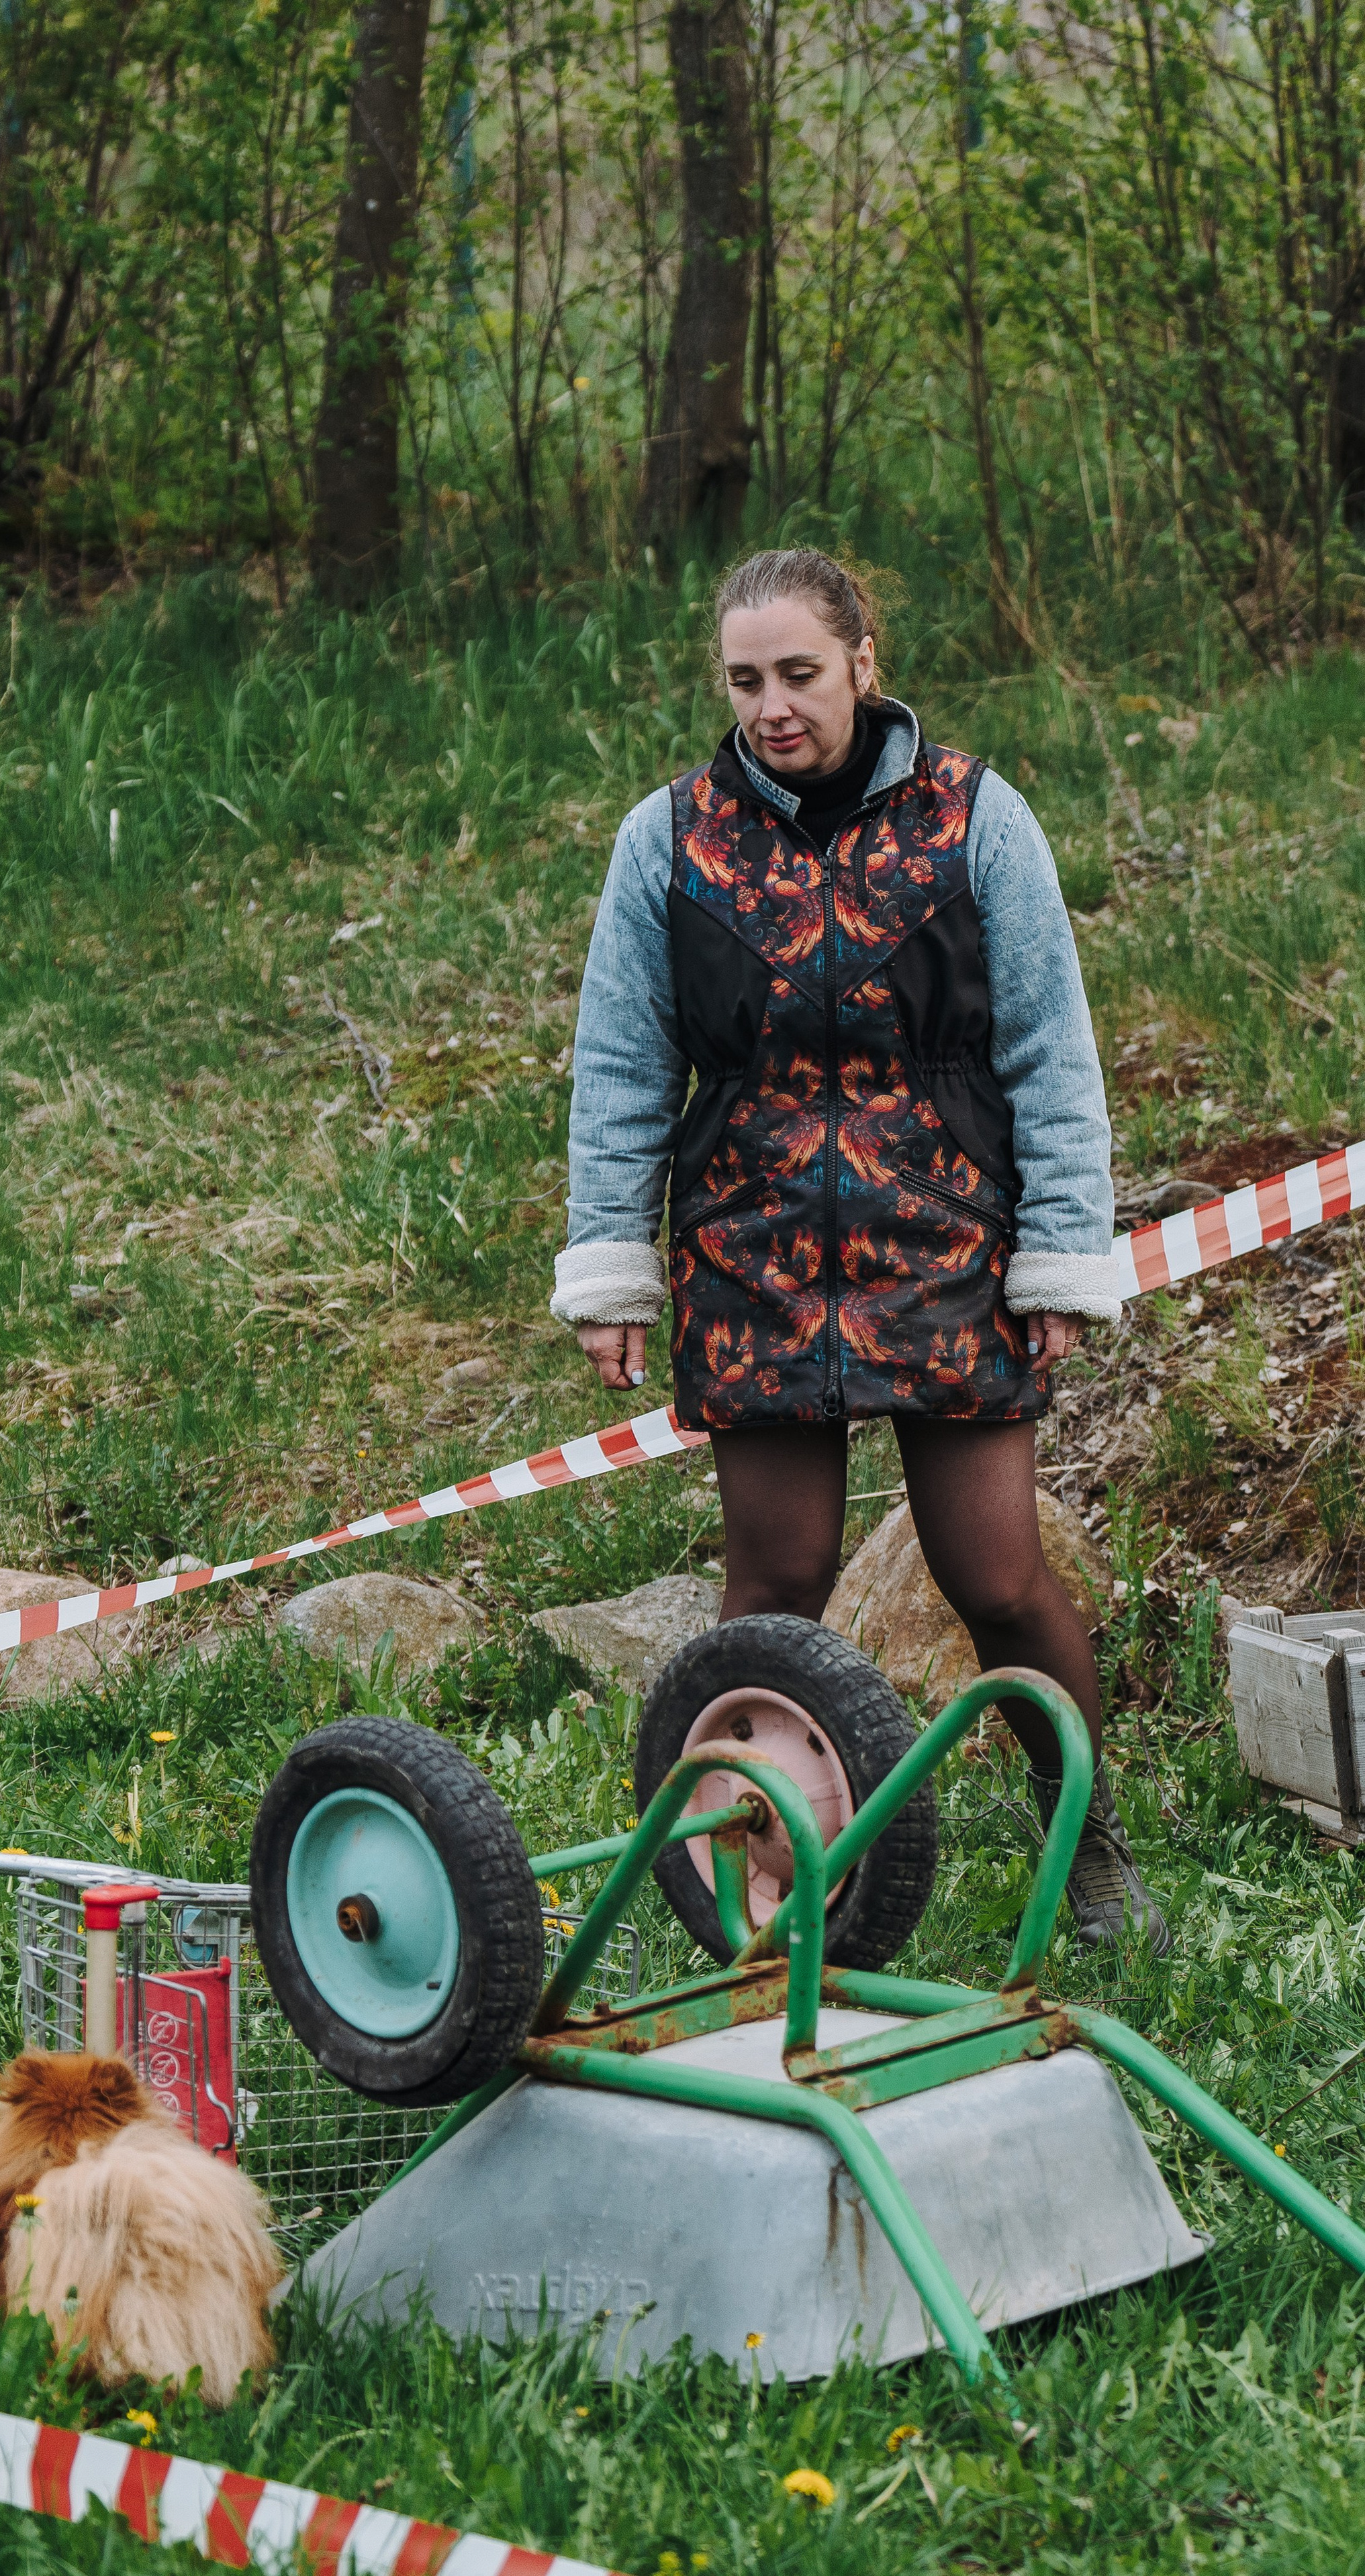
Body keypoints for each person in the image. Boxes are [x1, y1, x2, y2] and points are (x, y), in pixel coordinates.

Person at [550, 546, 1166, 1955]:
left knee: (996, 1576)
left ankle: (1088, 1846)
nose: (771, 706)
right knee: (773, 1584)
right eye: (743, 679)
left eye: (797, 674)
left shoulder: (973, 819)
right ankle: (746, 1872)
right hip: (751, 1250)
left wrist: (1059, 1249)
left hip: (942, 1241)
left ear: (861, 662)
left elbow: (1047, 1050)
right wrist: (609, 1259)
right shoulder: (670, 838)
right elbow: (621, 1064)